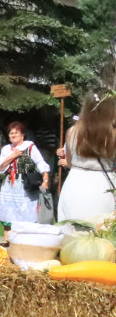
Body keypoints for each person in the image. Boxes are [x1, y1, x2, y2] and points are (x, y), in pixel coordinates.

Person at [58, 93, 116, 224]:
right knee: (101, 234)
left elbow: (69, 162)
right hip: (103, 186)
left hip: (74, 184)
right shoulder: (112, 135)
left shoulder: (72, 132)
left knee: (72, 235)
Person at [0, 122, 50, 242]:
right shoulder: (6, 149)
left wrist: (45, 180)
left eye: (16, 132)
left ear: (22, 135)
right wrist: (12, 156)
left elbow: (40, 162)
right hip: (9, 185)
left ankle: (26, 241)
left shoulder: (29, 146)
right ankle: (7, 241)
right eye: (11, 133)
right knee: (8, 213)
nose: (13, 135)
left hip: (25, 185)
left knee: (26, 213)